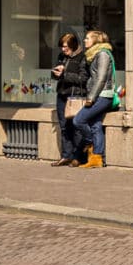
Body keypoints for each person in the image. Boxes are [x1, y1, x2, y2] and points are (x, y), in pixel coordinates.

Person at [73, 30, 117, 169]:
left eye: (87, 38)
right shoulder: (95, 55)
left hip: (102, 95)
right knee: (95, 125)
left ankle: (89, 142)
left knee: (78, 120)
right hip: (99, 94)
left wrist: (91, 97)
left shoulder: (103, 54)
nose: (84, 40)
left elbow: (101, 78)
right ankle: (96, 158)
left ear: (96, 40)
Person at [50, 33, 89, 167]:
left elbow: (83, 78)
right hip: (62, 94)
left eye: (66, 47)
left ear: (73, 45)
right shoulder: (62, 56)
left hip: (75, 96)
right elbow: (56, 76)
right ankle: (66, 156)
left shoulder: (82, 57)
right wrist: (56, 72)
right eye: (62, 47)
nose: (63, 49)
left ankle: (78, 157)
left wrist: (64, 74)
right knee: (64, 127)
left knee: (77, 127)